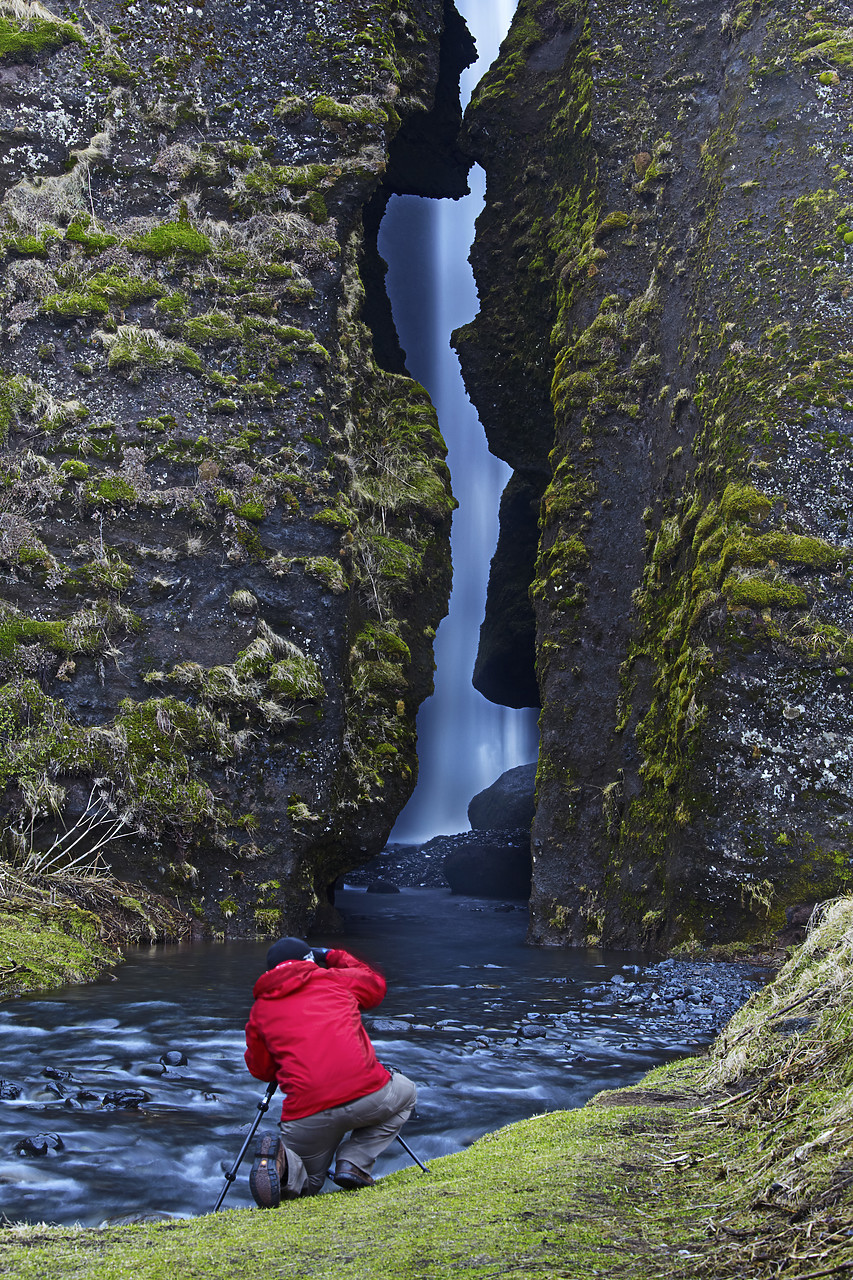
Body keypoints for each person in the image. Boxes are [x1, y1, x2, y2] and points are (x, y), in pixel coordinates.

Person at [244, 935, 417, 1207]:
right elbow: (375, 985)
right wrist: (333, 954)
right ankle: (354, 1163)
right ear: (310, 961)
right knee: (406, 1093)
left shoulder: (260, 1010)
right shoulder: (336, 979)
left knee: (307, 1186)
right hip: (367, 1095)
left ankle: (283, 1162)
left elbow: (262, 1070)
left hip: (307, 1112)